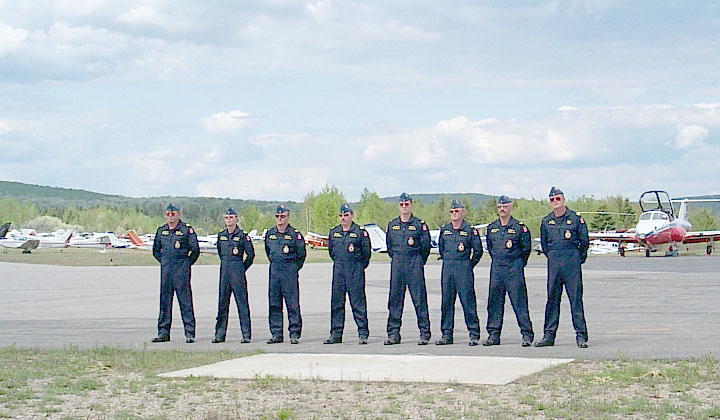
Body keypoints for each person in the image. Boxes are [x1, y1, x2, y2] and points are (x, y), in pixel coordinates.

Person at [536, 187, 590, 348]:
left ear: (564, 199)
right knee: (552, 299)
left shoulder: (575, 219)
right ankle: (549, 336)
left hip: (571, 262)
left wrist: (576, 258)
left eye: (557, 198)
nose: (555, 202)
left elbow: (584, 242)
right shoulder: (546, 221)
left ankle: (581, 336)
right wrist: (553, 256)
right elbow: (545, 245)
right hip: (554, 262)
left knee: (575, 300)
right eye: (552, 199)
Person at [484, 196, 534, 347]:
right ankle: (493, 335)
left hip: (514, 267)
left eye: (505, 206)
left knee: (519, 302)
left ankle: (526, 334)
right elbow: (491, 248)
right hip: (497, 268)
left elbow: (526, 249)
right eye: (499, 207)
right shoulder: (492, 228)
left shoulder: (519, 227)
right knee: (494, 302)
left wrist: (518, 264)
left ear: (510, 207)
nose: (502, 209)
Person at [385, 193, 432, 345]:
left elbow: (425, 248)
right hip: (398, 265)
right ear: (398, 206)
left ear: (411, 205)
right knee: (395, 300)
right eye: (401, 204)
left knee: (419, 300)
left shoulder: (419, 225)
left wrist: (418, 261)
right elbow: (390, 248)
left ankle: (424, 333)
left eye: (407, 204)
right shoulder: (392, 225)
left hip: (414, 264)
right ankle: (393, 333)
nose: (404, 207)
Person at [436, 199, 483, 346]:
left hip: (463, 268)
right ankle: (446, 335)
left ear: (463, 212)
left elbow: (478, 251)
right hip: (448, 268)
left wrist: (469, 265)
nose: (454, 214)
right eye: (452, 211)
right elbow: (441, 249)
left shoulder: (470, 230)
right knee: (446, 302)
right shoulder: (445, 230)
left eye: (457, 211)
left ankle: (474, 334)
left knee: (468, 302)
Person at [151, 203, 200, 343]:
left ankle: (189, 333)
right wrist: (164, 262)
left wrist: (186, 264)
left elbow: (195, 250)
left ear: (178, 214)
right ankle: (163, 333)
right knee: (165, 302)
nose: (170, 216)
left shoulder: (186, 230)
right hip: (166, 270)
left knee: (185, 302)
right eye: (168, 214)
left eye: (173, 213)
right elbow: (155, 251)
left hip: (181, 270)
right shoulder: (161, 231)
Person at [324, 203, 372, 345]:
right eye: (341, 215)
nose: (343, 218)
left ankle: (362, 333)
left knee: (358, 303)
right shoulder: (334, 232)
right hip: (339, 270)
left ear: (352, 215)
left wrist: (358, 267)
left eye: (346, 215)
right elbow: (332, 252)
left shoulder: (360, 232)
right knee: (337, 303)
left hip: (355, 270)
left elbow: (366, 254)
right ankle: (336, 334)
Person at [264, 204, 306, 344]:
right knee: (274, 304)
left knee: (292, 304)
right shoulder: (270, 234)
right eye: (277, 216)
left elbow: (301, 255)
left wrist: (293, 269)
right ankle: (276, 333)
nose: (280, 219)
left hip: (289, 273)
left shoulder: (295, 235)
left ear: (288, 217)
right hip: (275, 272)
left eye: (282, 216)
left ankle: (294, 333)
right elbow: (268, 253)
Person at [212, 208, 255, 343]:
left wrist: (242, 269)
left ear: (236, 219)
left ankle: (246, 335)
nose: (229, 220)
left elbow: (250, 255)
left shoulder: (242, 235)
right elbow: (220, 252)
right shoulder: (221, 235)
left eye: (231, 217)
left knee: (242, 303)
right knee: (222, 304)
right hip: (225, 269)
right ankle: (220, 334)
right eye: (227, 217)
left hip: (237, 269)